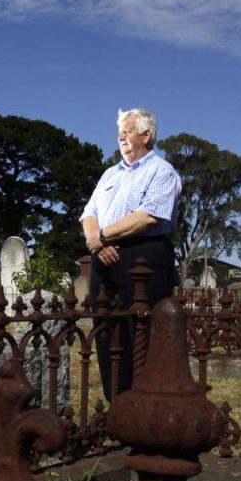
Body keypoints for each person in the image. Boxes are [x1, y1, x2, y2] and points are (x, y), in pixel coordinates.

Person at [80, 108, 182, 400]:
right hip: (104, 254)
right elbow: (90, 213)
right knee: (106, 330)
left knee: (140, 331)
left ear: (146, 135)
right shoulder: (110, 174)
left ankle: (146, 400)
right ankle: (117, 400)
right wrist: (96, 241)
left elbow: (148, 217)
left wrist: (102, 237)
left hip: (142, 256)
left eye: (128, 130)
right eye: (119, 131)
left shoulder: (162, 172)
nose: (120, 136)